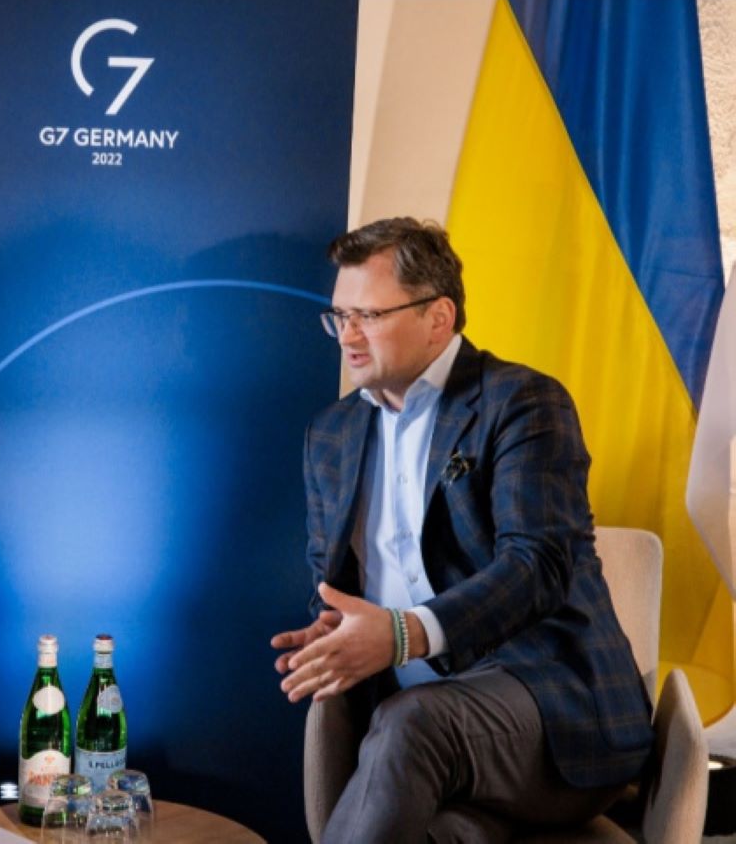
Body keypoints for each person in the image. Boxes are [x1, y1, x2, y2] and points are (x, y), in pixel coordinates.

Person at [271, 218, 653, 841]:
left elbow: (537, 565)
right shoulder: (331, 435)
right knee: (444, 829)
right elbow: (334, 583)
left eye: (367, 314)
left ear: (438, 317)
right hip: (415, 734)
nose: (348, 336)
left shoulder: (522, 402)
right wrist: (334, 627)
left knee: (414, 723)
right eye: (339, 317)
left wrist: (403, 634)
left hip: (551, 707)